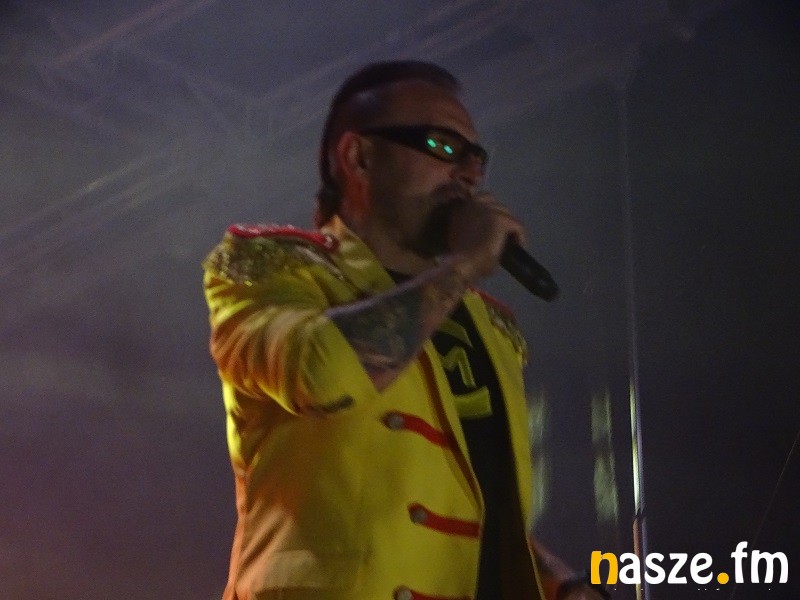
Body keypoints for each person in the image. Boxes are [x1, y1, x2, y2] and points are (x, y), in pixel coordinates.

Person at [203, 61, 607, 600]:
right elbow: (319, 373)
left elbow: (475, 508)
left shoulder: (489, 326)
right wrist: (462, 266)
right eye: (443, 146)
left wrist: (559, 584)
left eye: (477, 158)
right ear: (359, 157)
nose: (468, 173)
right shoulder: (274, 268)